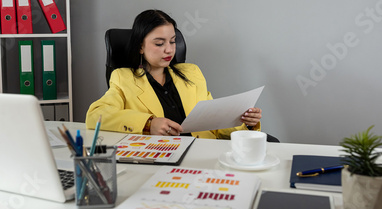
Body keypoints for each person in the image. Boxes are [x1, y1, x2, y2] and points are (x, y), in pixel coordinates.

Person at [85, 9, 262, 139]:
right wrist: (148, 124)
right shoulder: (123, 78)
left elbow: (215, 128)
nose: (169, 50)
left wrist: (246, 123)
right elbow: (95, 116)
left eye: (172, 41)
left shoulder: (192, 73)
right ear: (140, 46)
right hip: (159, 158)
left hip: (202, 155)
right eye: (159, 43)